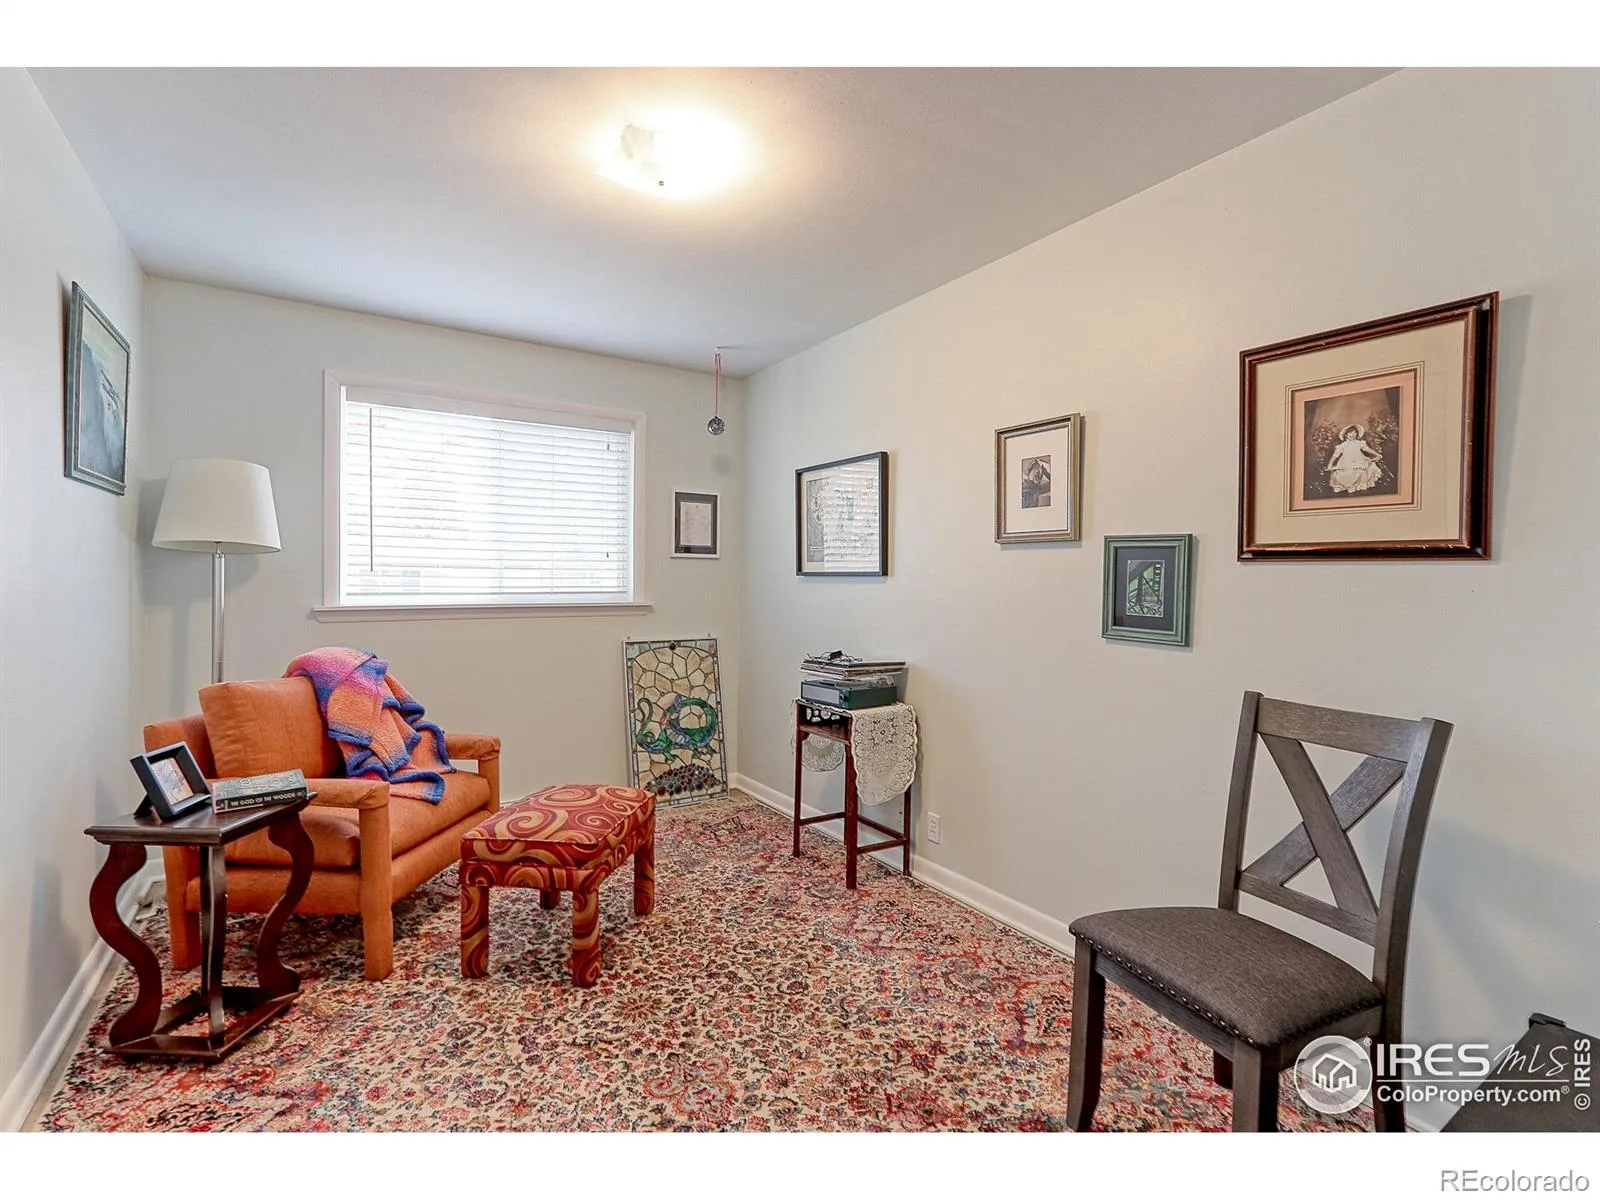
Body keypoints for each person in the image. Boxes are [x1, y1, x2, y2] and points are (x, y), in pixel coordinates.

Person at [1325, 423, 1383, 494]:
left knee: (1363, 471)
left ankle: (1361, 485)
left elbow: (1367, 449)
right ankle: (1345, 486)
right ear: (1346, 435)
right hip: (1346, 463)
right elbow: (1335, 455)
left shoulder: (1359, 443)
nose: (1352, 435)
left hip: (1359, 460)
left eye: (1354, 433)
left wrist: (1376, 454)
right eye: (1350, 433)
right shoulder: (1343, 445)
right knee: (1338, 474)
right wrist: (1330, 464)